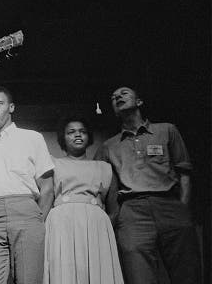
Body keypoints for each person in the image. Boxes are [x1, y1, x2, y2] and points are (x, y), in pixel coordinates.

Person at [95, 86, 201, 284]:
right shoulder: (108, 146)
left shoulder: (167, 130)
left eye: (124, 93)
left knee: (187, 272)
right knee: (138, 275)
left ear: (139, 101)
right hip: (132, 212)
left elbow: (184, 173)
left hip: (170, 206)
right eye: (113, 97)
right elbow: (102, 185)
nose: (118, 96)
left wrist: (183, 209)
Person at [0, 85, 54, 284]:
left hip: (26, 213)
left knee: (28, 280)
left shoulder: (32, 138)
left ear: (11, 107)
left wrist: (37, 219)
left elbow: (48, 186)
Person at [43, 117, 124, 284]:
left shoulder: (104, 167)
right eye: (71, 132)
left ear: (89, 137)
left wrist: (102, 226)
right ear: (63, 138)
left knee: (95, 270)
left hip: (95, 225)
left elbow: (114, 207)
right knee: (65, 267)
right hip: (61, 224)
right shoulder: (52, 163)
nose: (77, 135)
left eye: (82, 131)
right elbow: (46, 195)